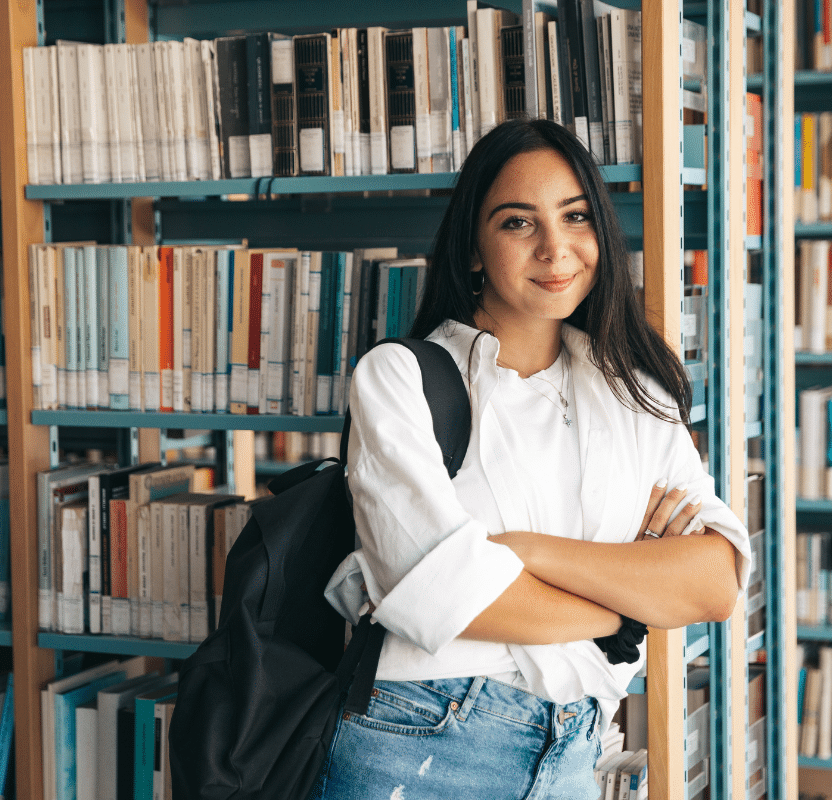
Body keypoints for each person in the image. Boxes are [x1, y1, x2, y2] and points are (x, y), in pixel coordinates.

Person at [311, 118, 751, 800]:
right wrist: (627, 608)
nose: (556, 249)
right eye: (519, 223)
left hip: (572, 752)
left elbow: (714, 582)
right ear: (476, 249)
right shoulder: (399, 378)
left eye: (575, 217)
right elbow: (447, 596)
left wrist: (524, 553)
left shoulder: (635, 393)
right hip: (419, 745)